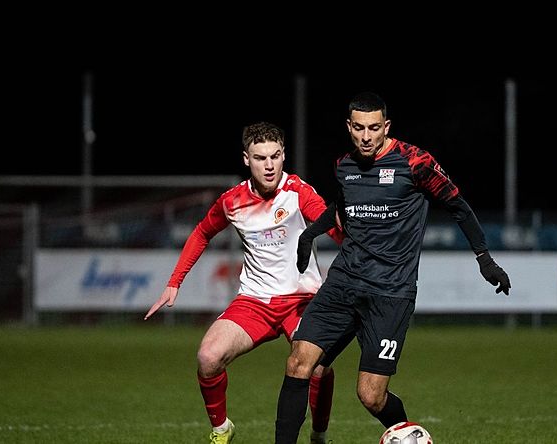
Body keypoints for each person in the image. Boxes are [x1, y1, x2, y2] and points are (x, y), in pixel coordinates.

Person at [274, 92, 511, 443]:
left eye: (373, 128)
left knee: (371, 395)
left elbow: (457, 205)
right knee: (299, 363)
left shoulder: (415, 162)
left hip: (390, 293)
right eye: (359, 128)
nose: (366, 136)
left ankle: (407, 435)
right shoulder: (344, 166)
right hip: (342, 284)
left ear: (386, 126)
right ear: (349, 127)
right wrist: (310, 234)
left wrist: (484, 259)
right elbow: (342, 205)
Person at [145, 121, 342, 444]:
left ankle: (318, 435)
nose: (269, 165)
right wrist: (174, 282)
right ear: (246, 159)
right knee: (208, 357)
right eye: (260, 158)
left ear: (284, 155)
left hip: (302, 301)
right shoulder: (232, 201)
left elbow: (331, 226)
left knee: (318, 366)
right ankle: (222, 429)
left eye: (275, 156)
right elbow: (202, 232)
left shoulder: (298, 192)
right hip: (254, 302)